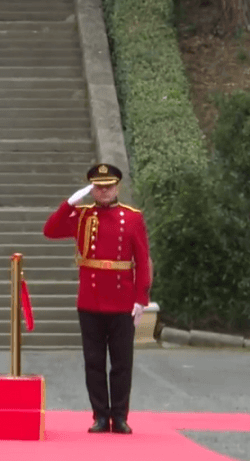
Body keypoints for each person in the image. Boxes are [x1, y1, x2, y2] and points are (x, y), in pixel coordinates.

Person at [43, 164, 152, 434]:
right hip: (91, 300)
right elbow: (50, 230)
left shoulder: (132, 217)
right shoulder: (81, 215)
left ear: (117, 187)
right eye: (98, 187)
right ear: (92, 189)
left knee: (121, 362)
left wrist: (141, 298)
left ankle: (120, 416)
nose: (103, 192)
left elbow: (142, 260)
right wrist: (69, 203)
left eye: (108, 186)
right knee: (93, 362)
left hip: (122, 299)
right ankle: (100, 415)